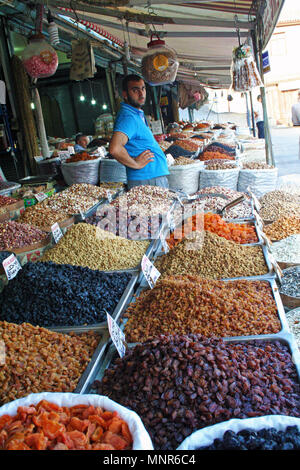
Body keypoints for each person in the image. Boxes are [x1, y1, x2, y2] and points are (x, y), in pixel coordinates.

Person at [109, 74, 169, 189]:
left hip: (150, 178)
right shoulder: (128, 118)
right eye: (135, 90)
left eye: (143, 88)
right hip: (147, 180)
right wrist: (135, 163)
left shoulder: (135, 114)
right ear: (125, 94)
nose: (141, 94)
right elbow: (114, 148)